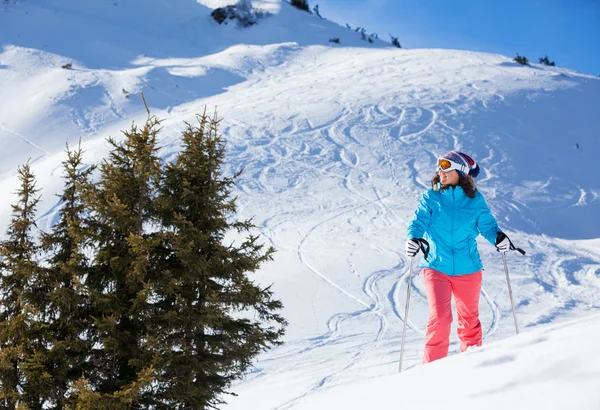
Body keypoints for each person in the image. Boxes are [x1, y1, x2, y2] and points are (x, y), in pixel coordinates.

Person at [405, 151, 511, 364]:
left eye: (446, 167)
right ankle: (431, 371)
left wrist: (498, 237)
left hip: (468, 268)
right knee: (440, 320)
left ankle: (472, 368)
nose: (440, 172)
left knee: (469, 321)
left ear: (461, 172)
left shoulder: (474, 200)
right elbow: (419, 220)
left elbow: (487, 225)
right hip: (436, 265)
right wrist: (413, 237)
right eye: (439, 167)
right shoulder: (431, 197)